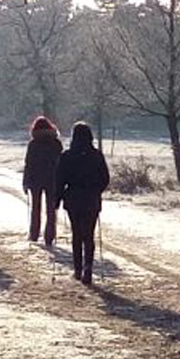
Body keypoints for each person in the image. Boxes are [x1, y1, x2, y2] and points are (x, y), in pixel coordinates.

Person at [55, 121, 111, 284]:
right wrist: (96, 191)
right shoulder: (96, 155)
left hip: (73, 198)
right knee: (89, 235)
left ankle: (78, 269)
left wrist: (57, 200)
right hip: (91, 199)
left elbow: (59, 180)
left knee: (77, 234)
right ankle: (88, 267)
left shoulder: (66, 156)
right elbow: (105, 178)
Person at [23, 116, 64, 245]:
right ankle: (49, 236)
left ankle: (34, 234)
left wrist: (26, 181)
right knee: (51, 210)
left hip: (35, 179)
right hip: (53, 179)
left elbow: (28, 164)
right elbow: (61, 163)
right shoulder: (56, 143)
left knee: (35, 208)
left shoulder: (33, 144)